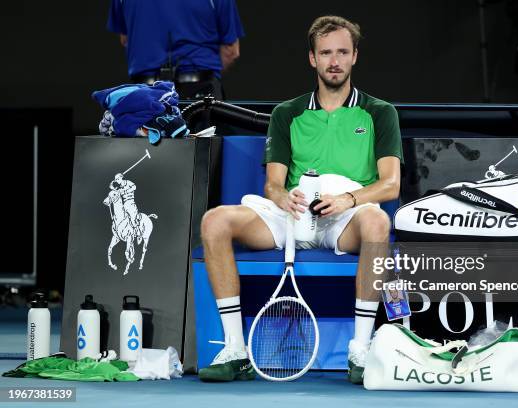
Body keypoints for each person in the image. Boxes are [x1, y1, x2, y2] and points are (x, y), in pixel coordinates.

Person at [198, 15, 403, 384]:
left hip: (346, 216)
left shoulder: (380, 112)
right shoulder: (286, 113)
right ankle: (235, 350)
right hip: (293, 215)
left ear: (355, 56)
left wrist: (348, 199)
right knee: (214, 221)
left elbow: (390, 184)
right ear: (313, 59)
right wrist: (284, 197)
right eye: (326, 53)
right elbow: (272, 185)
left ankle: (359, 350)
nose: (334, 61)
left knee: (378, 222)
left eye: (342, 52)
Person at [107, 0, 244, 100]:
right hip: (200, 95)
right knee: (205, 139)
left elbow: (125, 38)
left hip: (145, 95)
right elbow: (230, 51)